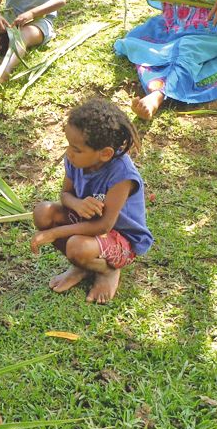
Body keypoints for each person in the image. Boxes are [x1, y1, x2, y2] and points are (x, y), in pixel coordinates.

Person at [30, 98, 153, 304]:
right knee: (44, 212)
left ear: (105, 154)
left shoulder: (121, 174)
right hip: (89, 227)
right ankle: (82, 267)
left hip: (121, 239)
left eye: (76, 149)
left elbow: (103, 225)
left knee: (77, 247)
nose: (69, 153)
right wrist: (77, 204)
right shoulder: (75, 160)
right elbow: (65, 195)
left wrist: (52, 234)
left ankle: (108, 270)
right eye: (69, 145)